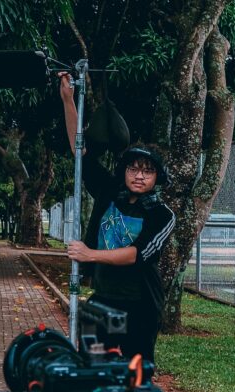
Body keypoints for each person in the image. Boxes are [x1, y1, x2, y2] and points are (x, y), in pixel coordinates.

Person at [59, 72, 176, 363]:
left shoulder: (162, 215)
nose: (139, 175)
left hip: (140, 307)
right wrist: (68, 100)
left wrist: (89, 254)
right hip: (102, 301)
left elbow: (137, 255)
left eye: (147, 171)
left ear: (156, 178)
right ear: (124, 171)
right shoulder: (109, 191)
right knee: (92, 364)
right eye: (133, 169)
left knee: (137, 372)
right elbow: (79, 151)